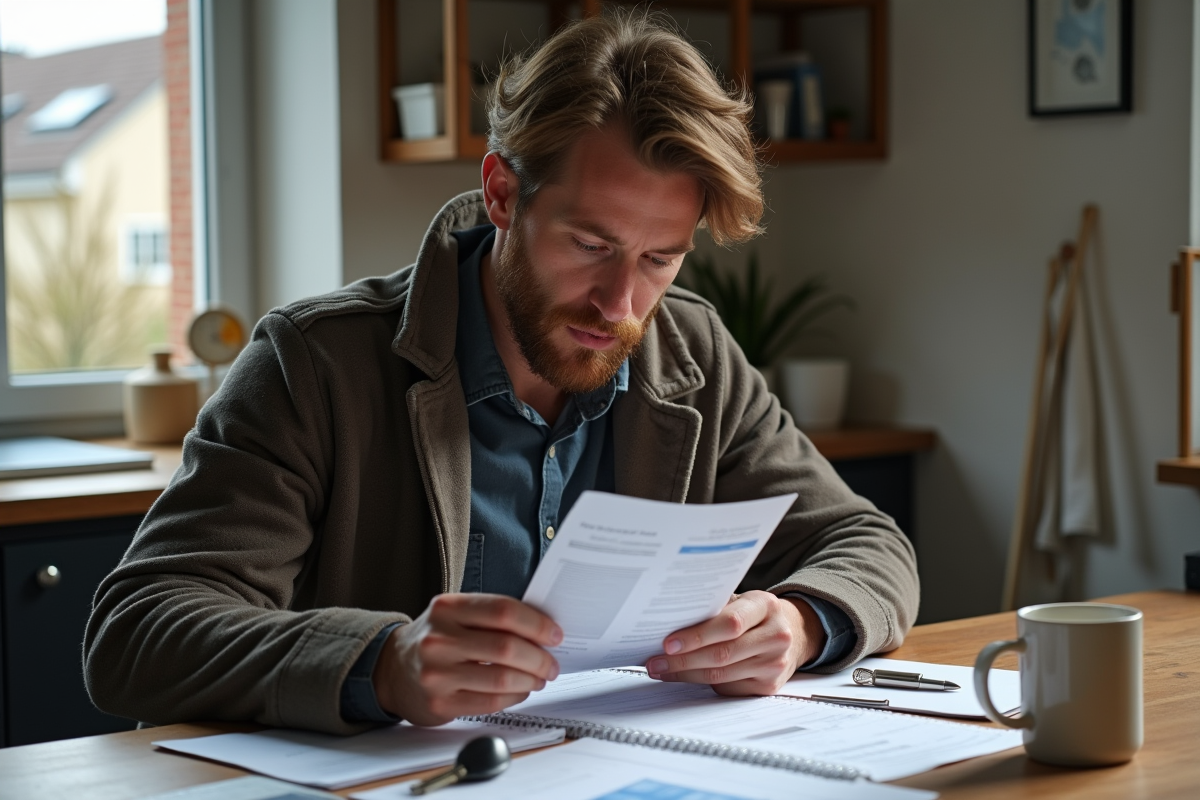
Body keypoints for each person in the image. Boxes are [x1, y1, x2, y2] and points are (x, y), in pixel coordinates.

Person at [84, 12, 917, 735]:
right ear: (502, 194)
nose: (621, 304)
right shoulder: (314, 363)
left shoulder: (691, 353)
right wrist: (379, 663)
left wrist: (801, 622)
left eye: (660, 259)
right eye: (589, 246)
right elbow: (137, 630)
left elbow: (869, 545)